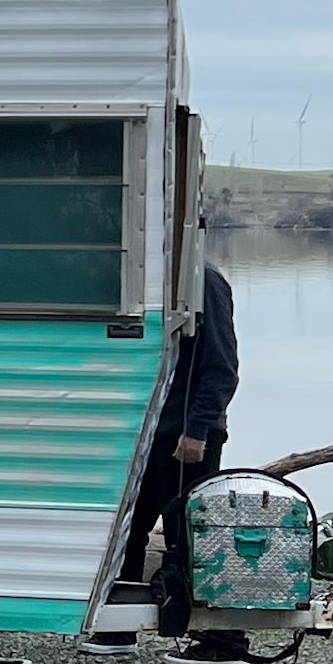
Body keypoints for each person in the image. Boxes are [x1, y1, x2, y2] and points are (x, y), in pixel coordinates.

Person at [128, 259, 240, 620]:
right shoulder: (145, 279)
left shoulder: (204, 281)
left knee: (192, 537)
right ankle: (120, 623)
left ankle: (220, 637)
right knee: (128, 530)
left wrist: (197, 429)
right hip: (146, 432)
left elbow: (223, 366)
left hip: (186, 437)